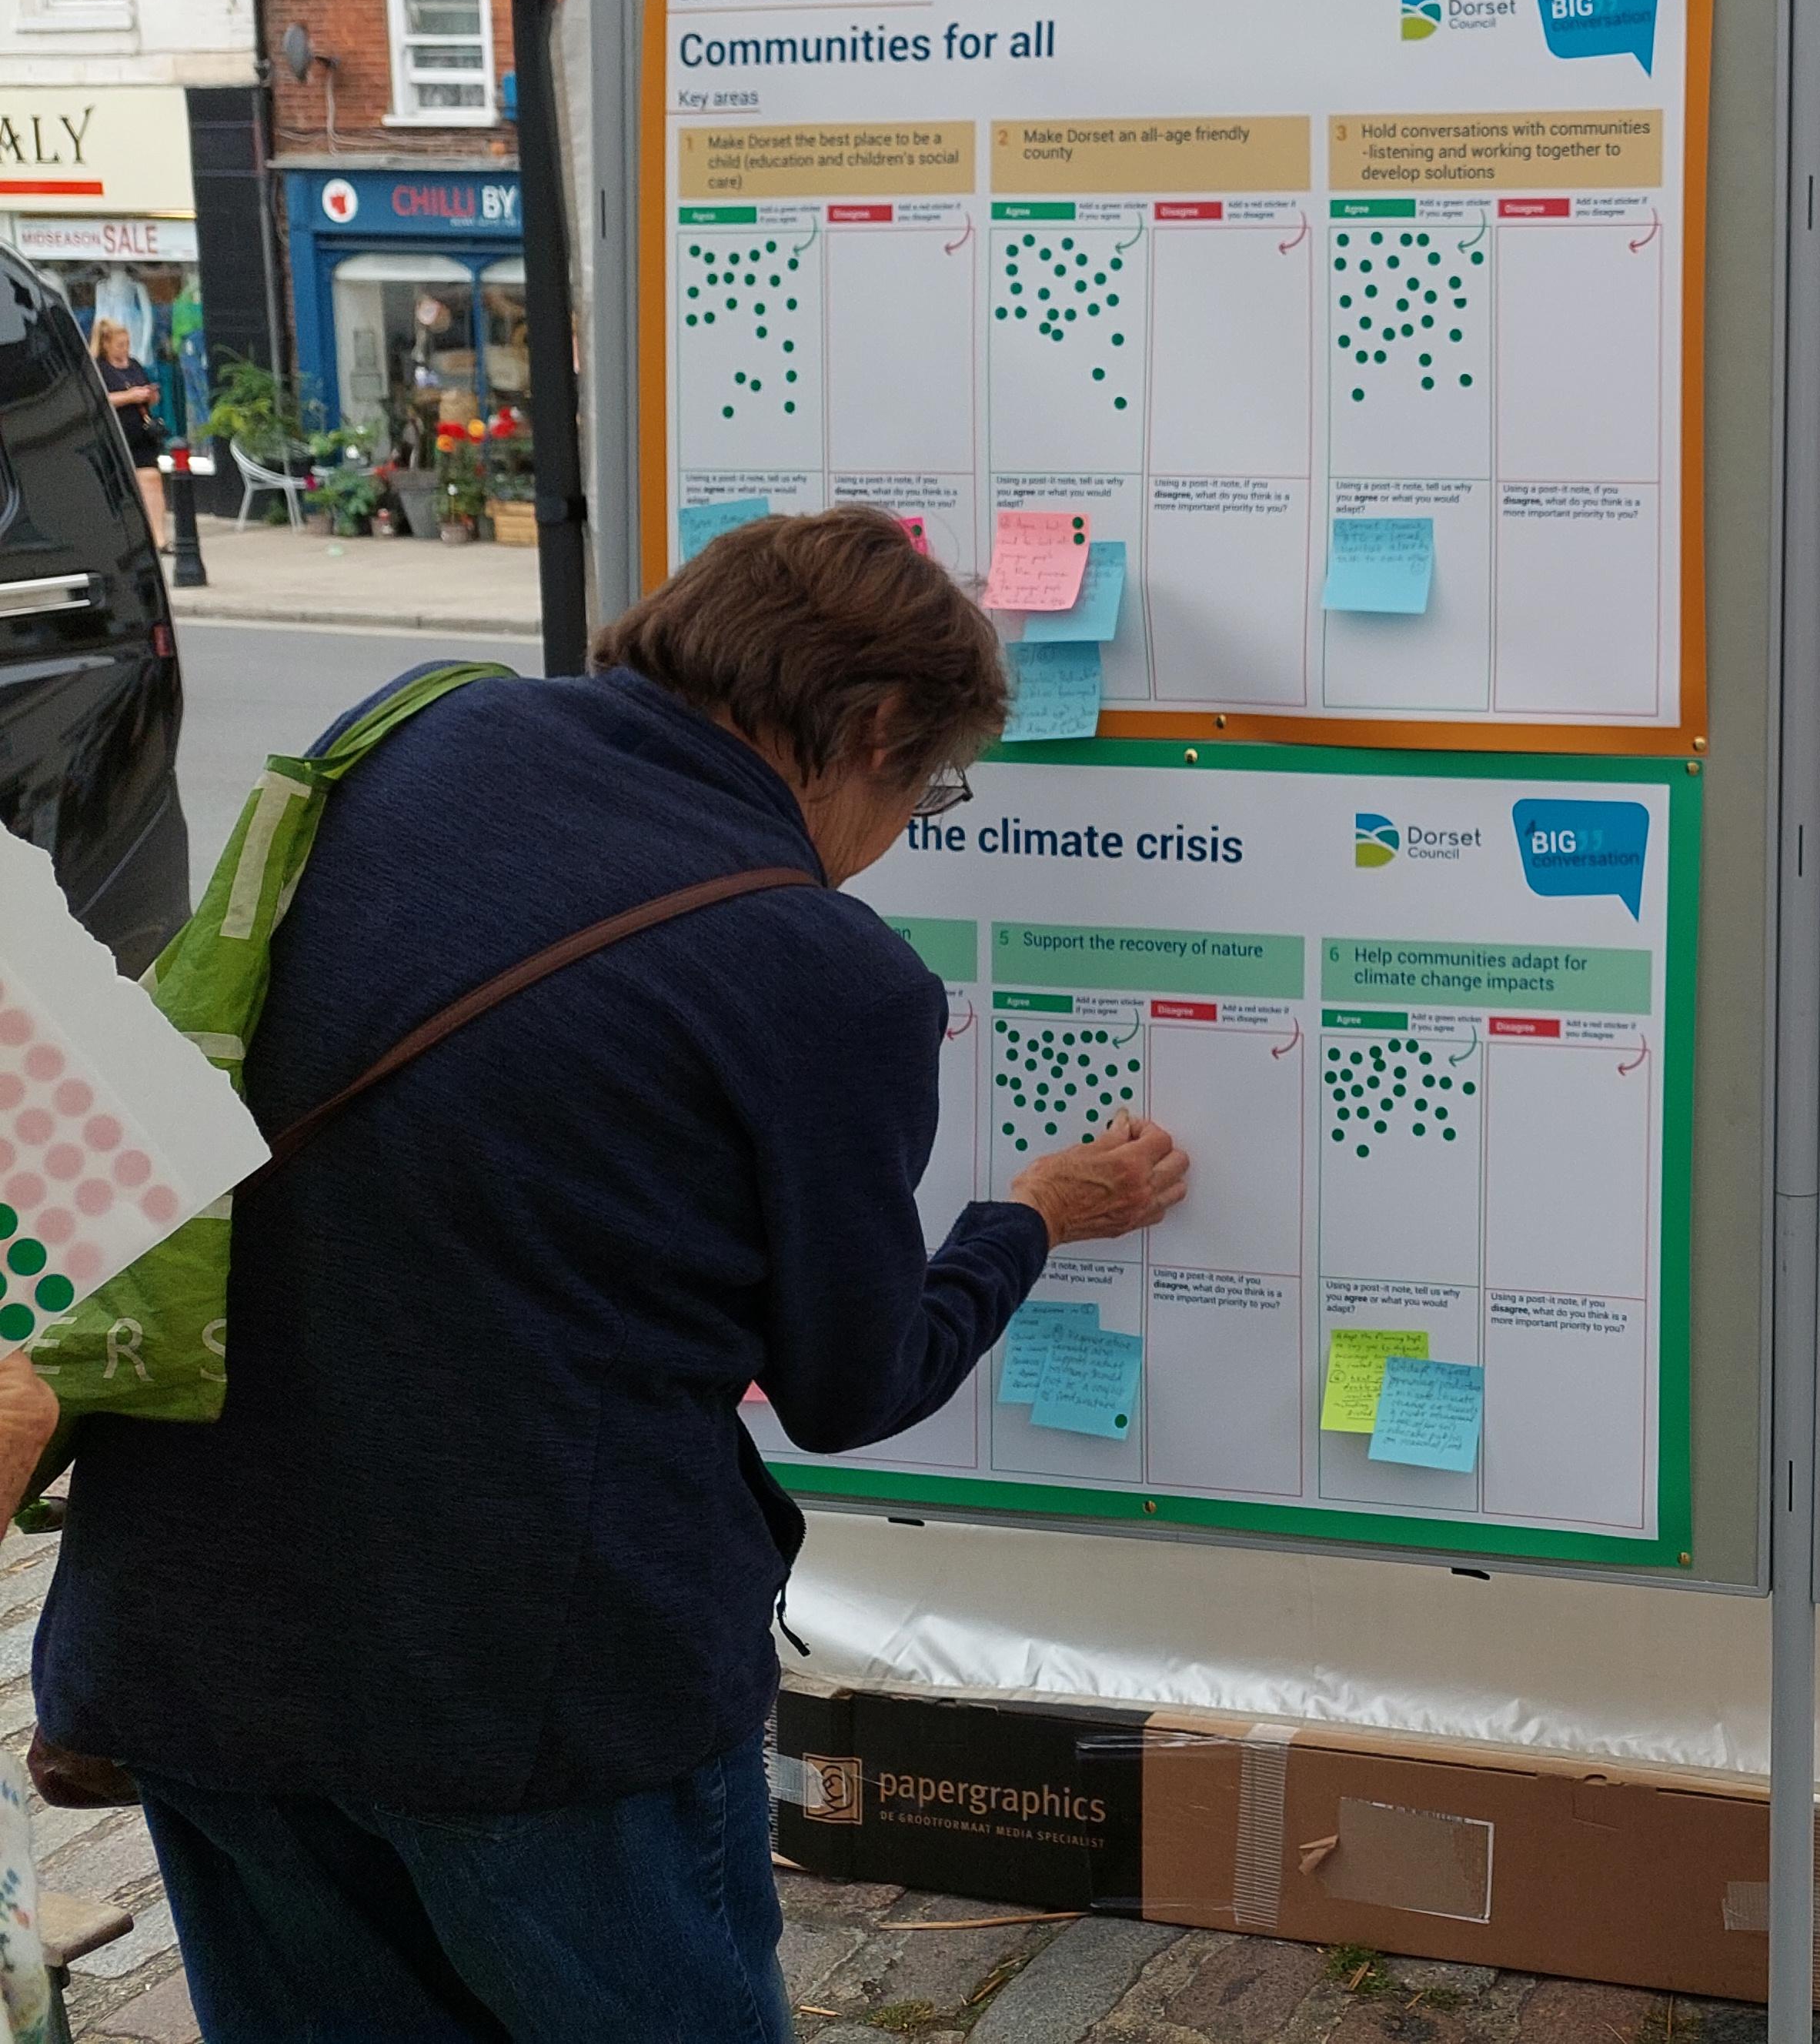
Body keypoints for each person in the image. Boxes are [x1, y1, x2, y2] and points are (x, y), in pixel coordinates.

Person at [32, 505, 1188, 2041]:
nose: (906, 829)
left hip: (190, 1631)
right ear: (874, 729)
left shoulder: (413, 737)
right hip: (532, 1696)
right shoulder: (822, 975)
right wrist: (1030, 1215)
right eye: (930, 787)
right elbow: (854, 1385)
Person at [88, 317, 163, 516]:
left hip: (141, 433)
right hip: (115, 435)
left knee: (152, 480)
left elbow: (148, 395)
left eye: (127, 344)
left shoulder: (135, 365)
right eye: (120, 345)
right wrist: (129, 397)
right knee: (121, 489)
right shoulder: (98, 368)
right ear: (106, 344)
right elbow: (97, 400)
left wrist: (150, 395)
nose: (125, 349)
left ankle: (160, 539)